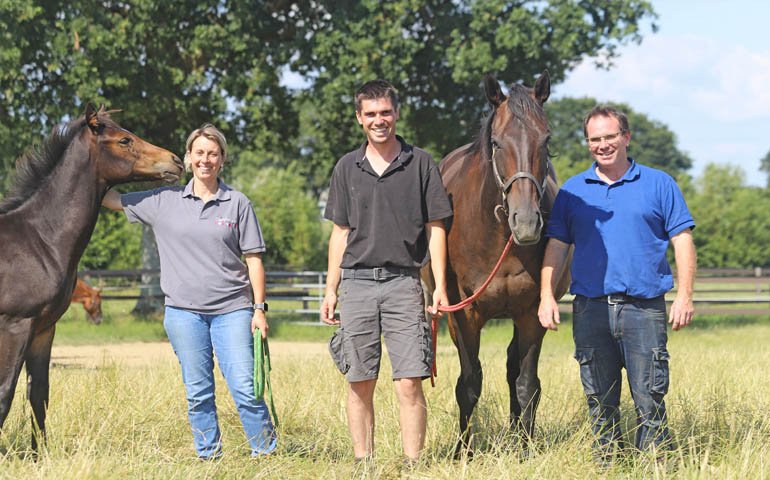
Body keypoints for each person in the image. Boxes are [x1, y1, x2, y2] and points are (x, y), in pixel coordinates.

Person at [102, 124, 276, 459]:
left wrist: (259, 309)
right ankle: (208, 456)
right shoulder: (163, 200)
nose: (205, 160)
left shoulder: (237, 203)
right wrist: (98, 169)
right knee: (198, 393)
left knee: (245, 388)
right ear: (189, 157)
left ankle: (265, 454)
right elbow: (112, 200)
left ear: (222, 159)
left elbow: (254, 260)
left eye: (213, 154)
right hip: (183, 315)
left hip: (233, 311)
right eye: (199, 153)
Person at [537, 105, 696, 460]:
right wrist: (546, 295)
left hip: (644, 309)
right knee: (598, 398)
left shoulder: (659, 184)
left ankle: (655, 464)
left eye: (610, 136)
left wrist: (684, 295)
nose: (603, 145)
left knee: (650, 396)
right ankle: (607, 464)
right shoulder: (572, 192)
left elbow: (682, 240)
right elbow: (557, 246)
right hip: (590, 309)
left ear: (626, 137)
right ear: (587, 143)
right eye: (595, 139)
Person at [321, 79, 452, 463]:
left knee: (410, 381)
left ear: (396, 113)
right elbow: (340, 232)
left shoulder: (421, 163)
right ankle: (364, 463)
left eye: (385, 112)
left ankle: (413, 464)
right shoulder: (347, 167)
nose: (379, 120)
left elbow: (436, 228)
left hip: (404, 283)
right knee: (359, 381)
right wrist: (331, 289)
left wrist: (439, 285)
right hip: (357, 284)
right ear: (359, 118)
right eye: (371, 114)